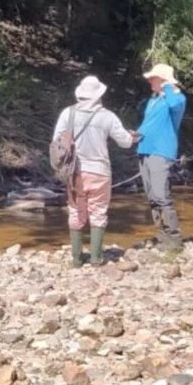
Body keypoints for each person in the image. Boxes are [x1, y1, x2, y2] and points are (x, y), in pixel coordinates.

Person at [52, 76, 137, 267]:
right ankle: (96, 258)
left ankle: (76, 259)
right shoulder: (107, 116)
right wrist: (132, 137)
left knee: (75, 210)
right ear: (99, 95)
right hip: (100, 172)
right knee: (98, 211)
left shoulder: (68, 113)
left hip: (74, 172)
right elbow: (124, 142)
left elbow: (57, 140)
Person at [137, 63, 187, 250]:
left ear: (164, 79)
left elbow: (176, 103)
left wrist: (167, 85)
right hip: (145, 150)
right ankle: (161, 236)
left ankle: (174, 239)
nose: (149, 80)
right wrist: (135, 135)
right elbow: (148, 124)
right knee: (151, 196)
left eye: (153, 77)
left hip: (162, 151)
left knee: (161, 195)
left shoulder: (176, 99)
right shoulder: (154, 100)